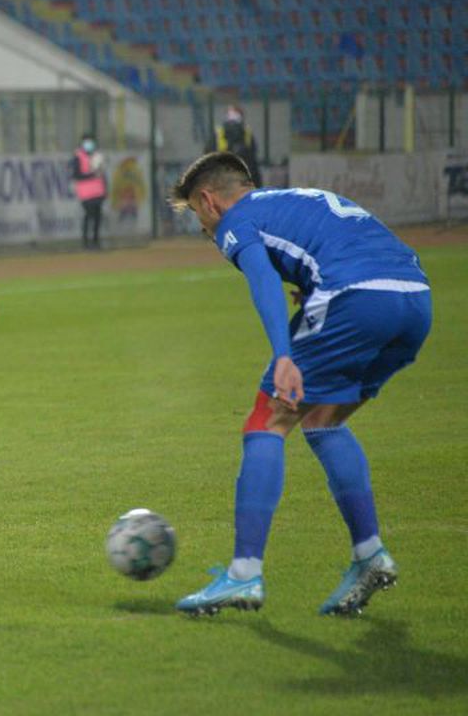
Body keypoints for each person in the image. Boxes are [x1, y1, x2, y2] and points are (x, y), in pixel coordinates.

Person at [168, 152, 431, 616]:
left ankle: (244, 574)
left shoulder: (236, 220)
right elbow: (345, 243)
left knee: (267, 419)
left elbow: (263, 281)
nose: (204, 230)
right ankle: (369, 554)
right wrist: (314, 290)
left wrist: (285, 355)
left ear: (209, 201)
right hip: (414, 301)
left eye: (196, 215)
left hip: (355, 298)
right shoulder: (292, 198)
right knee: (322, 419)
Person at [205, 105, 262, 187]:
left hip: (221, 177)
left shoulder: (218, 132)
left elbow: (208, 154)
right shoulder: (247, 133)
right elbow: (253, 161)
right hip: (242, 179)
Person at [72, 133, 107, 249]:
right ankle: (85, 241)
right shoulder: (78, 156)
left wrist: (105, 189)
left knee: (97, 216)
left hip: (98, 191)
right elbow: (76, 175)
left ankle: (96, 241)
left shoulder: (97, 156)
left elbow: (103, 174)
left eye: (91, 141)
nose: (89, 144)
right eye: (87, 141)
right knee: (89, 215)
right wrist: (91, 175)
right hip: (85, 192)